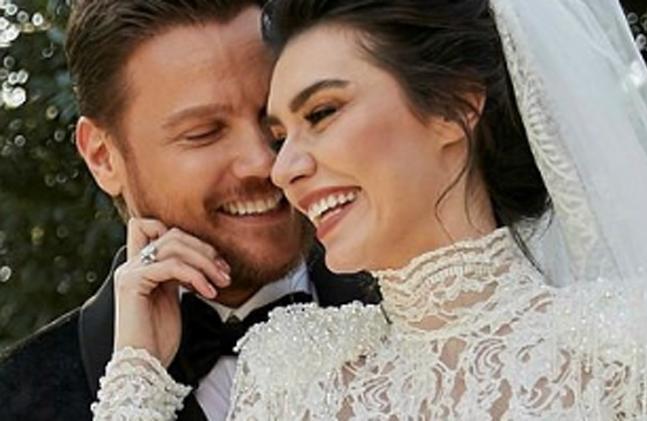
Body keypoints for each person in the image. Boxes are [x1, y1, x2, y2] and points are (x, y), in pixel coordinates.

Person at [93, 0, 647, 419]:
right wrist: (137, 375)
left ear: (455, 107)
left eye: (322, 113)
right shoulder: (291, 371)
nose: (282, 167)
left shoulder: (630, 354)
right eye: (281, 132)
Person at [0, 1, 374, 420]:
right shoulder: (18, 400)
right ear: (104, 157)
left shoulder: (415, 317)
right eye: (204, 133)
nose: (264, 162)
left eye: (274, 117)